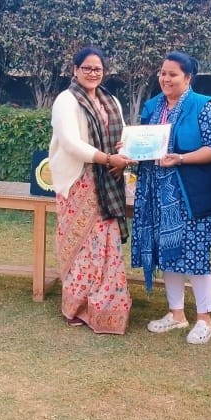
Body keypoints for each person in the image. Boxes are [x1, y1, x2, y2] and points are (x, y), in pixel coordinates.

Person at [130, 52, 211, 345]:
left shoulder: (204, 107)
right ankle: (176, 314)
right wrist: (130, 149)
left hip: (196, 195)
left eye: (172, 74)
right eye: (162, 73)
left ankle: (205, 320)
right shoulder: (154, 107)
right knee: (168, 249)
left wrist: (181, 158)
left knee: (195, 251)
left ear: (188, 77)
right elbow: (146, 145)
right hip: (160, 196)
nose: (165, 79)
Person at [49, 46, 134, 334]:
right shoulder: (66, 100)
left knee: (106, 245)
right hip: (79, 181)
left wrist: (123, 150)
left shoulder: (110, 100)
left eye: (97, 69)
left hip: (108, 179)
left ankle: (106, 308)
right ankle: (75, 307)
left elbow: (122, 133)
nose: (92, 73)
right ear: (75, 70)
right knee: (81, 246)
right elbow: (70, 143)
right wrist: (108, 159)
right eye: (86, 68)